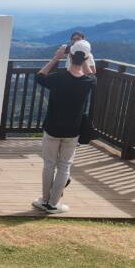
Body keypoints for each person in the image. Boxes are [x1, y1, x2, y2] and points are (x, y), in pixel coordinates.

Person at [32, 41, 96, 213]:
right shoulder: (88, 81)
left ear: (70, 56)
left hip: (52, 127)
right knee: (64, 166)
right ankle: (53, 204)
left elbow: (39, 76)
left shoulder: (58, 77)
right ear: (86, 58)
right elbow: (92, 75)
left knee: (49, 165)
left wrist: (56, 58)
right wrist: (86, 60)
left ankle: (44, 200)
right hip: (72, 131)